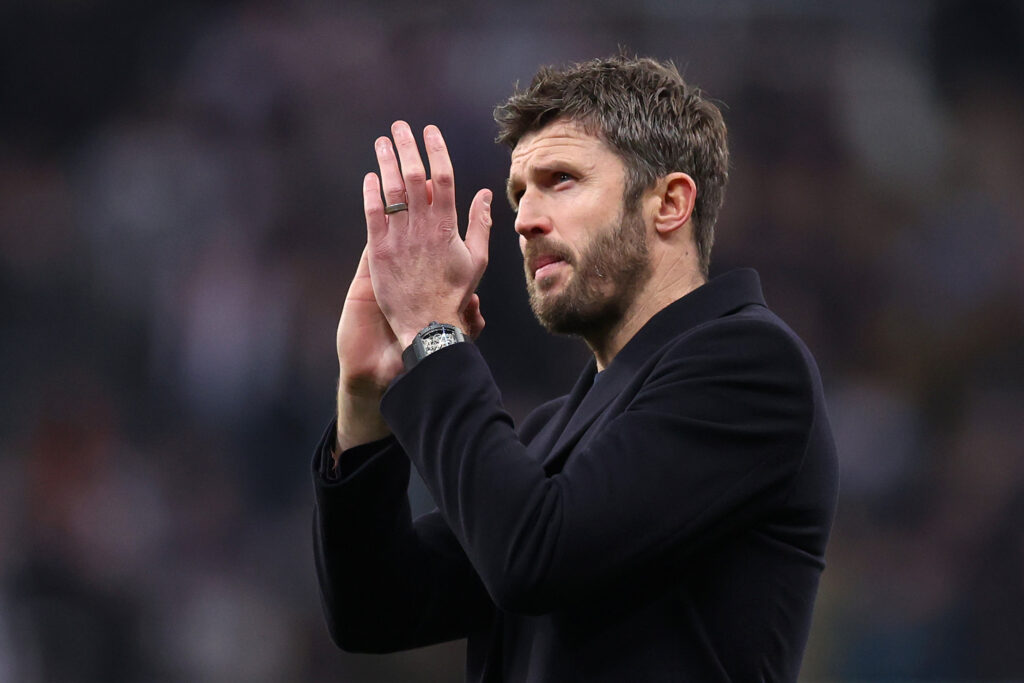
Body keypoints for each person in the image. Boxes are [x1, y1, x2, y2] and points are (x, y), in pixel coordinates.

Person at [312, 54, 838, 682]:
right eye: (518, 194)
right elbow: (374, 609)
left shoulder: (751, 367)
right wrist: (365, 400)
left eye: (561, 180)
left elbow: (533, 557)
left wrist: (433, 334)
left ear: (670, 203)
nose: (525, 220)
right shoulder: (548, 437)